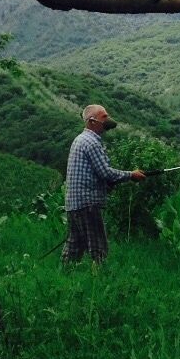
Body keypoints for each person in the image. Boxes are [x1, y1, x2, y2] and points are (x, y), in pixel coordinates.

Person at [62, 104, 145, 264]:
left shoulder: (79, 139)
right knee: (98, 249)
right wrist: (131, 175)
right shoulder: (92, 143)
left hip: (73, 204)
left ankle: (64, 276)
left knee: (74, 248)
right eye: (104, 117)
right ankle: (98, 280)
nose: (108, 119)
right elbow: (105, 173)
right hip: (88, 204)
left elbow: (95, 174)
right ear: (92, 121)